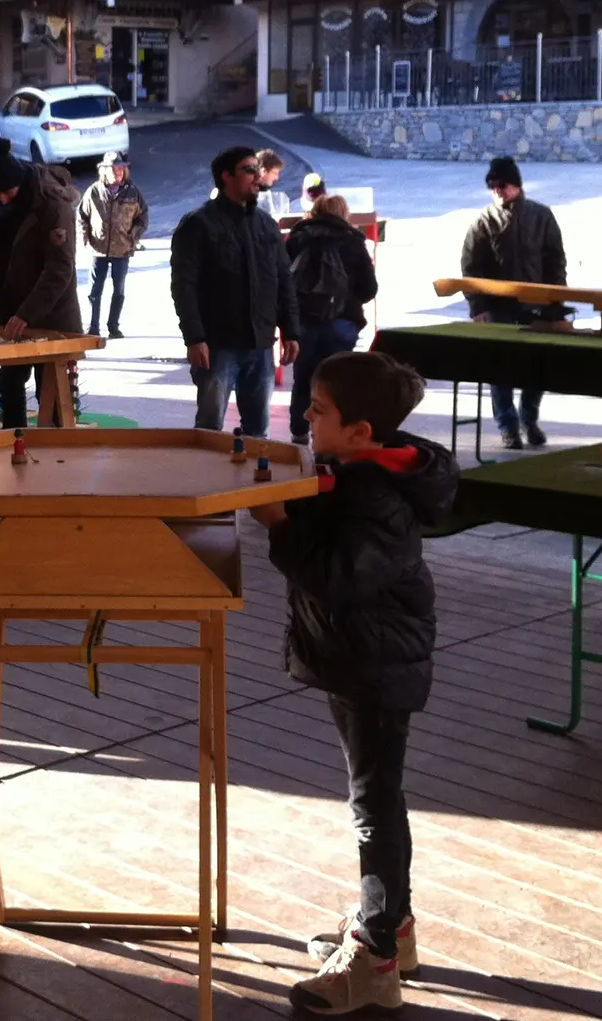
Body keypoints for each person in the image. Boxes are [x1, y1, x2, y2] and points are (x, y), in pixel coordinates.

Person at [248, 352, 452, 1014]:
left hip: (377, 661)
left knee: (374, 805)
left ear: (362, 432)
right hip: (365, 654)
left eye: (318, 409)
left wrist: (279, 525)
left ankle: (375, 957)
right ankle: (398, 928)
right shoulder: (363, 468)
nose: (305, 416)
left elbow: (339, 579)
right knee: (377, 797)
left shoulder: (374, 493)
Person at [170, 144, 300, 437]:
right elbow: (184, 286)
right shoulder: (198, 225)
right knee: (209, 429)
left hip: (260, 345)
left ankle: (255, 482)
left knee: (258, 432)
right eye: (248, 170)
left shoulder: (266, 225)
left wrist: (291, 330)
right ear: (226, 176)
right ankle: (208, 482)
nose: (257, 176)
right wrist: (195, 338)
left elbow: (283, 280)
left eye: (257, 170)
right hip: (217, 346)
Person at [0, 137, 82, 428]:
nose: (2, 199)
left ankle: (58, 456)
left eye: (5, 192)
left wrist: (27, 313)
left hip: (51, 315)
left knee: (51, 388)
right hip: (10, 311)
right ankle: (13, 443)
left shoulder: (53, 206)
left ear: (19, 181)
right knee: (10, 384)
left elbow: (59, 269)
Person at [459, 156, 566, 449]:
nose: (497, 190)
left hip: (537, 306)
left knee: (537, 369)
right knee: (500, 370)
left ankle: (528, 419)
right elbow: (471, 267)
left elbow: (555, 262)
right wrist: (478, 307)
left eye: (502, 184)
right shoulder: (482, 221)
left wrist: (556, 302)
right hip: (498, 307)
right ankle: (507, 426)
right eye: (492, 185)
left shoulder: (541, 216)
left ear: (516, 184)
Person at [285, 195, 378, 445]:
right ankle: (330, 438)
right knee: (335, 384)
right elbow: (369, 289)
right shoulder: (352, 241)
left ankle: (299, 434)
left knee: (304, 379)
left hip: (303, 324)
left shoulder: (297, 239)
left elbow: (282, 283)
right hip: (342, 323)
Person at [77, 150, 148, 339]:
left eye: (120, 168)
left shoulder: (133, 192)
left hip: (122, 250)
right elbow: (81, 216)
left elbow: (143, 218)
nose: (117, 172)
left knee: (119, 290)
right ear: (104, 171)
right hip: (98, 249)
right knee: (95, 290)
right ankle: (93, 328)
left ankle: (113, 327)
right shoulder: (94, 191)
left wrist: (132, 237)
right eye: (113, 168)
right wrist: (84, 239)